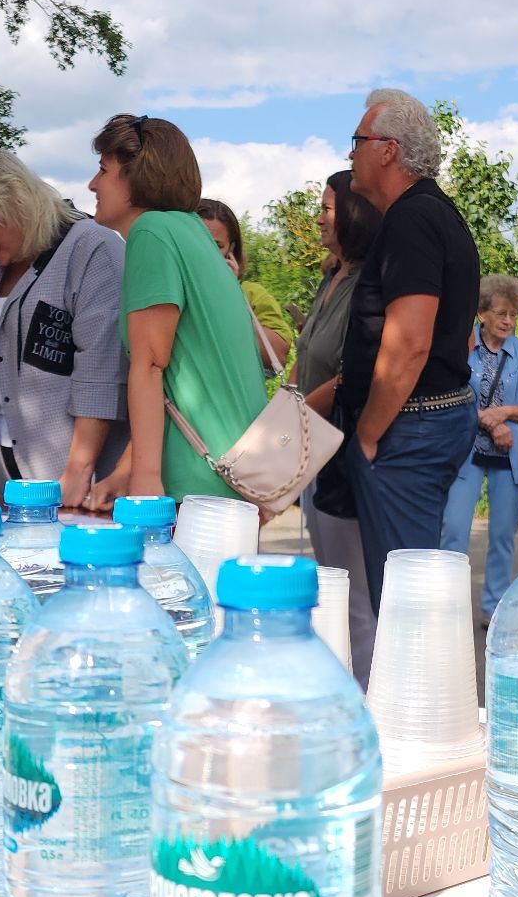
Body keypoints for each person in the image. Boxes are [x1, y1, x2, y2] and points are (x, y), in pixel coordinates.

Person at [339, 88, 481, 609]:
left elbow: (410, 344)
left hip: (409, 427)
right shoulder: (435, 214)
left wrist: (370, 432)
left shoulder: (412, 218)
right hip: (425, 422)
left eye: (357, 141)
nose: (350, 153)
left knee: (405, 603)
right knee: (412, 586)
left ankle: (417, 693)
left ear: (388, 149)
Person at [0, 142, 130, 505]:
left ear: (11, 200)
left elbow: (102, 374)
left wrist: (77, 472)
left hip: (81, 487)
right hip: (6, 479)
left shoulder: (92, 249)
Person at [84, 114, 267, 508]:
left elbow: (150, 366)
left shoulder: (150, 232)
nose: (92, 184)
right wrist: (126, 472)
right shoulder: (190, 231)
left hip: (196, 483)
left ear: (136, 177)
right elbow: (177, 385)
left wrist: (146, 484)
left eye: (103, 171)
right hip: (237, 474)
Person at [295, 168, 383, 684]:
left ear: (352, 213)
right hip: (312, 448)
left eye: (327, 209)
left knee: (353, 597)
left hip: (340, 453)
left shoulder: (366, 283)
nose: (320, 219)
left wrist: (298, 416)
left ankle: (370, 705)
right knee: (329, 587)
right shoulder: (331, 277)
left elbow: (356, 372)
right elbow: (309, 354)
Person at [440, 274, 518, 619]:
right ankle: (448, 608)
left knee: (503, 537)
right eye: (501, 313)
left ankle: (494, 609)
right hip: (466, 451)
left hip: (510, 455)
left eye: (514, 314)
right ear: (482, 313)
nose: (508, 321)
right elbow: (448, 397)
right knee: (454, 530)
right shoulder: (461, 345)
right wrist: (488, 420)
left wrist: (503, 414)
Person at [196, 198, 294, 371]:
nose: (206, 251)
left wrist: (230, 298)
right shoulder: (169, 292)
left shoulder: (251, 294)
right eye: (198, 241)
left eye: (216, 245)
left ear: (231, 250)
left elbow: (278, 355)